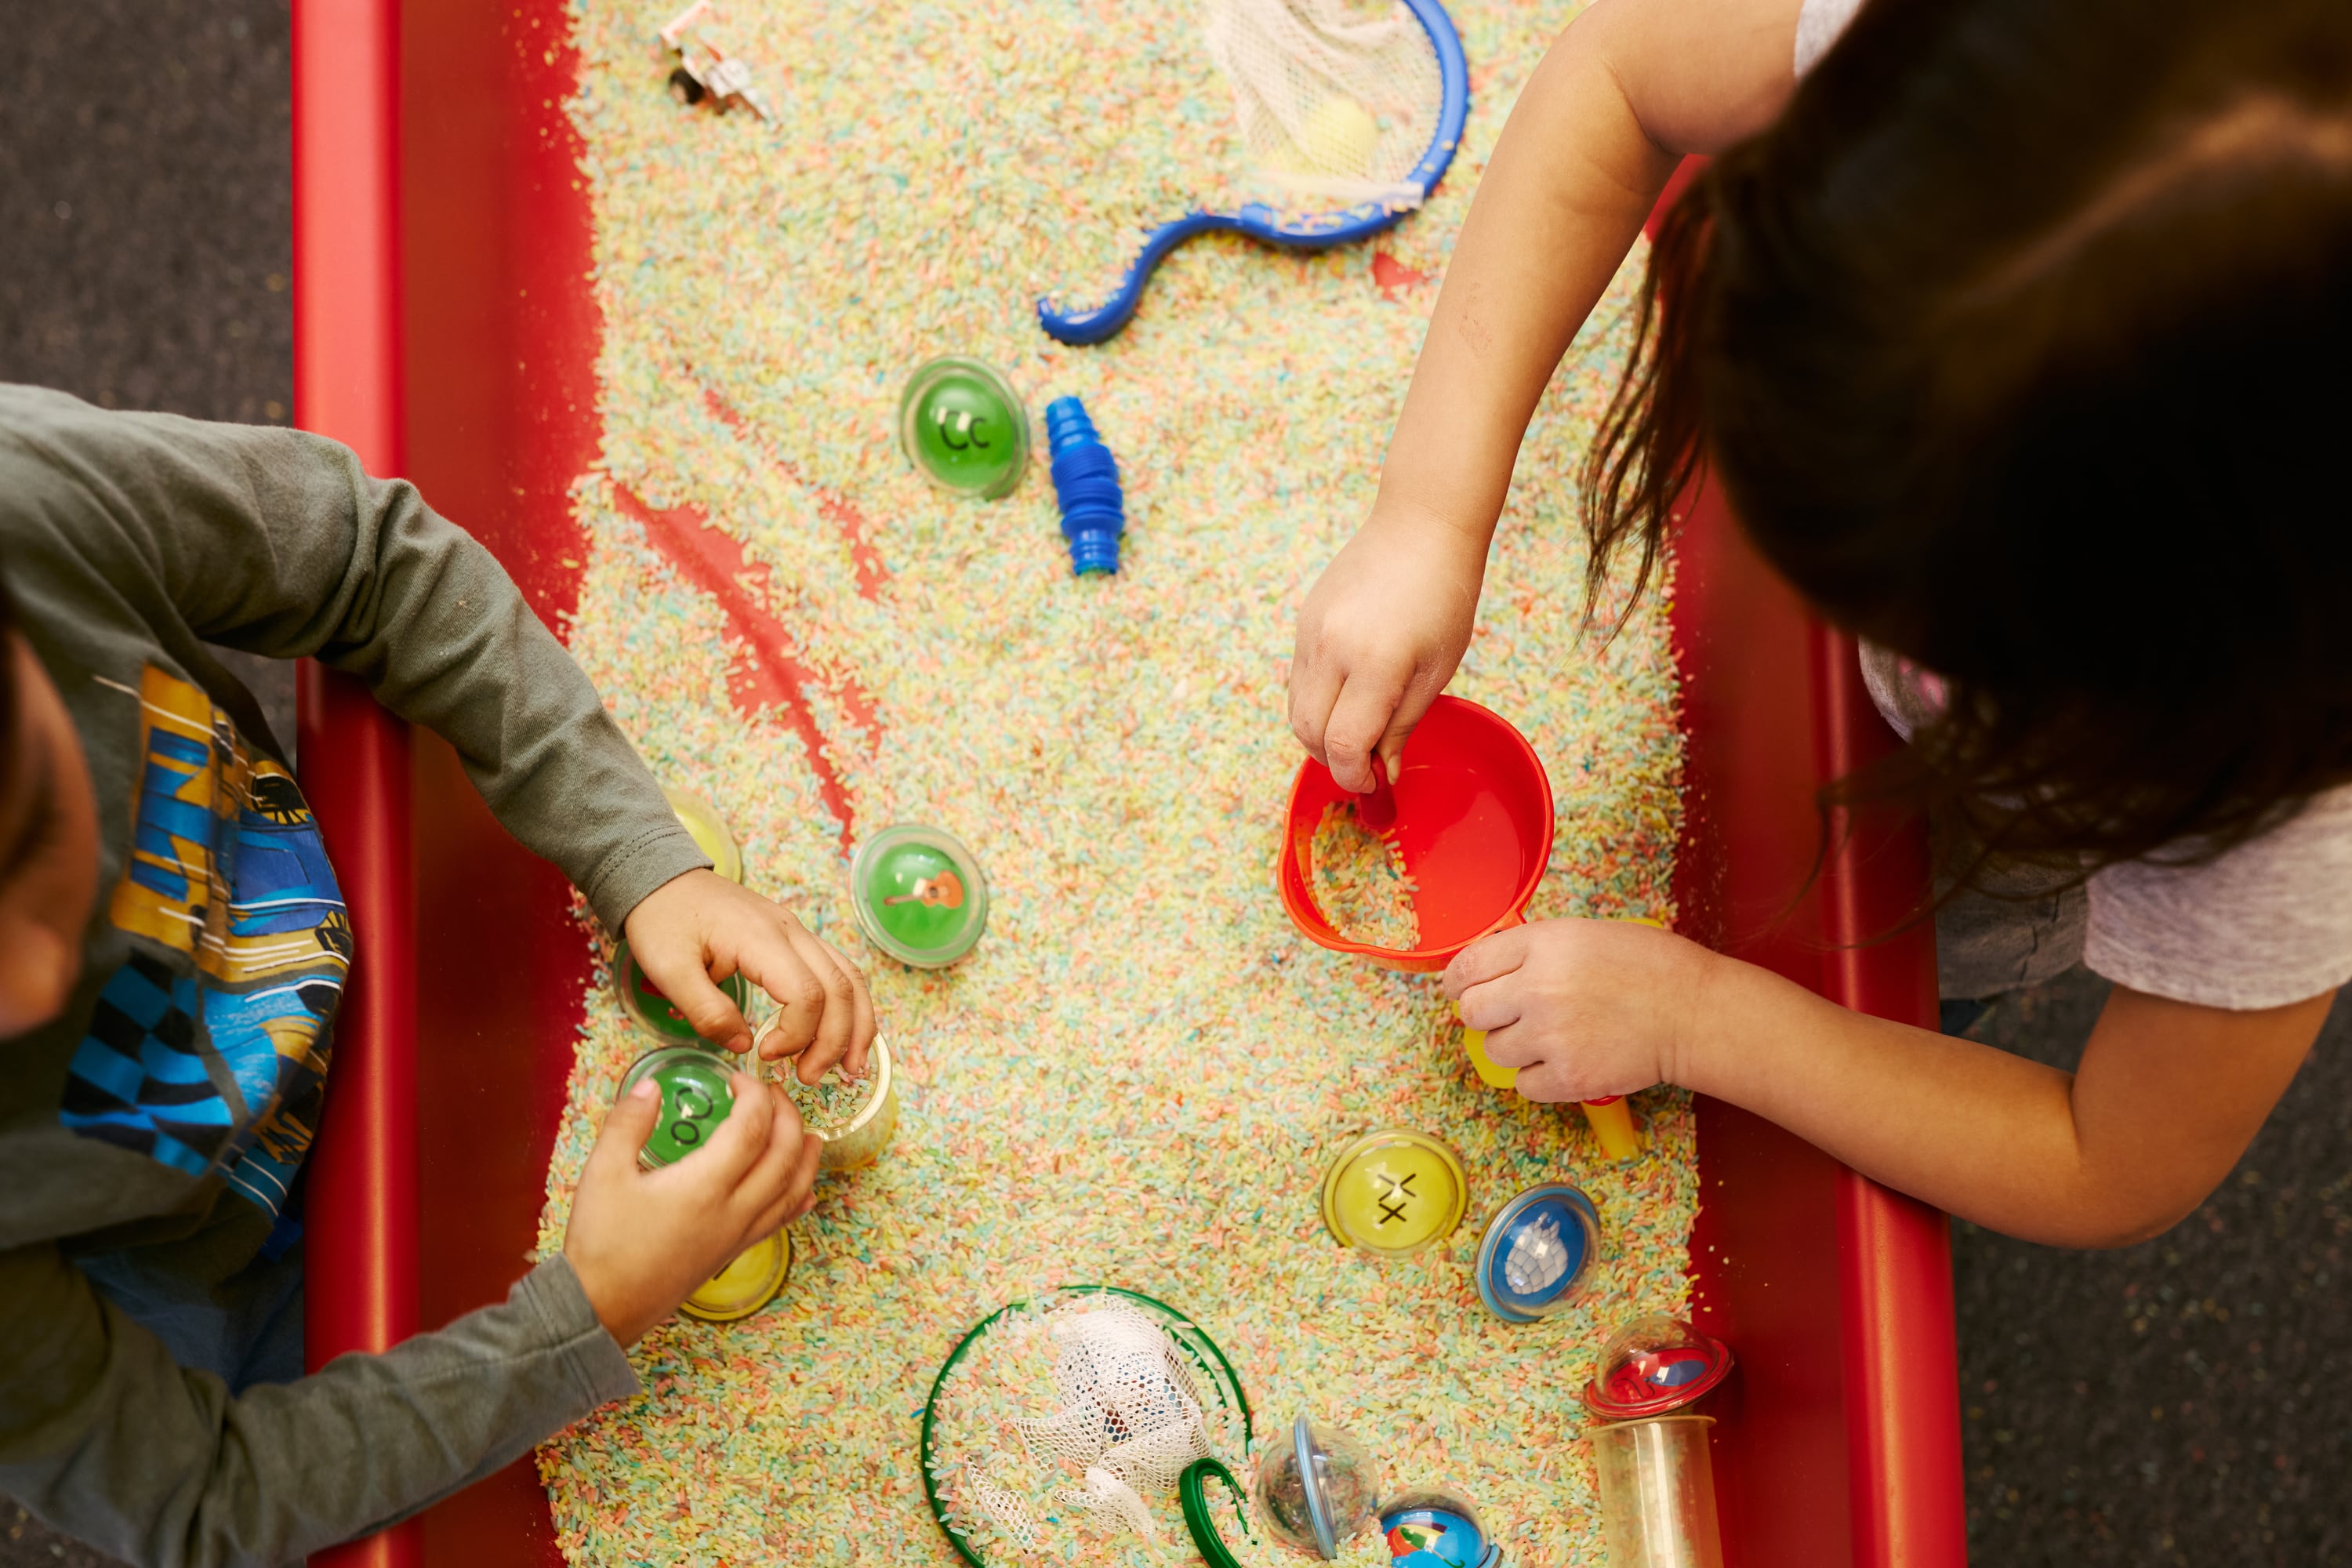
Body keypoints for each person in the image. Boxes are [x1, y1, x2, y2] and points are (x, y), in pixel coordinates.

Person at [1288, 0, 2352, 1248]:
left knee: (1916, 1004)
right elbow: (1622, 70)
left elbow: (2105, 1162)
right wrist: (1429, 513)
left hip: (2002, 845)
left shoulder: (2286, 813)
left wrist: (1703, 1020)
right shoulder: (1979, 81)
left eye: (1920, 609)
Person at [0, 384, 877, 1564]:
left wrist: (640, 856)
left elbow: (365, 554)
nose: (49, 966)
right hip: (224, 1278)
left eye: (40, 836)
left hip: (372, 994)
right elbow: (202, 1498)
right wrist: (592, 1313)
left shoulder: (26, 506)